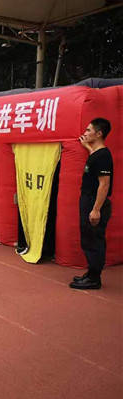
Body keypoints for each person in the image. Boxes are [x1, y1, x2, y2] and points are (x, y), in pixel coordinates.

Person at [70, 118, 113, 290]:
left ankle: (95, 278)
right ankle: (91, 273)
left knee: (94, 239)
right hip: (88, 199)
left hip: (94, 201)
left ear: (99, 134)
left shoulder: (103, 156)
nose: (85, 133)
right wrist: (88, 147)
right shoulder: (96, 154)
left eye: (89, 130)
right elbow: (94, 160)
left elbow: (104, 184)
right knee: (88, 238)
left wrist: (96, 209)